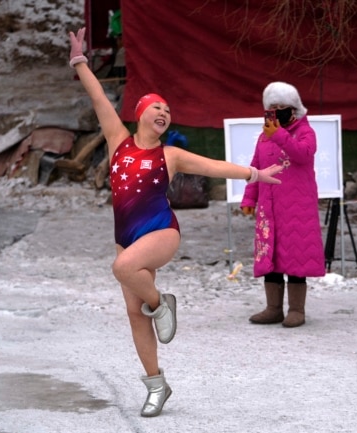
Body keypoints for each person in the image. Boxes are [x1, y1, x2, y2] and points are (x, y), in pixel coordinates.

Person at [67, 28, 283, 417]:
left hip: (160, 230)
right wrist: (80, 61)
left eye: (167, 109)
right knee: (134, 314)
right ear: (140, 114)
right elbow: (99, 98)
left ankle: (162, 302)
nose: (164, 112)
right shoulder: (118, 141)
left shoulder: (171, 155)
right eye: (156, 107)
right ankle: (156, 385)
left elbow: (215, 167)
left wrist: (254, 173)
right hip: (124, 234)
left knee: (122, 269)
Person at [240, 81, 326, 328]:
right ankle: (273, 308)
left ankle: (296, 310)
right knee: (272, 257)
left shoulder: (305, 132)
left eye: (282, 106)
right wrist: (249, 198)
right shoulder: (263, 137)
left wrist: (277, 135)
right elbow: (256, 169)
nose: (277, 110)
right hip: (270, 209)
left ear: (294, 108)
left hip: (298, 208)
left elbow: (302, 154)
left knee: (297, 256)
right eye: (272, 106)